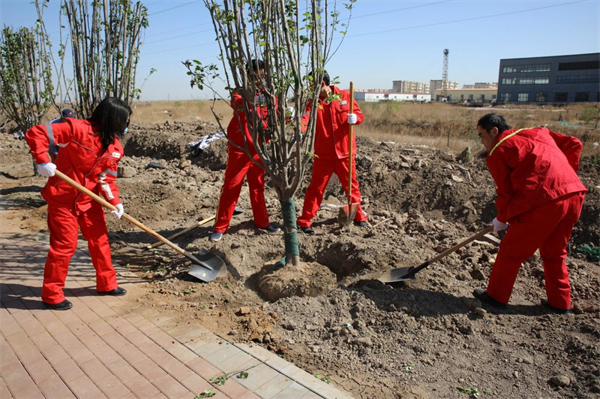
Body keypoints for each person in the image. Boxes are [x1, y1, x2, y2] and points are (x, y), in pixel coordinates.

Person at [473, 113, 587, 314]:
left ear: (494, 131)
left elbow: (505, 193)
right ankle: (560, 303)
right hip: (574, 195)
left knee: (509, 250)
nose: (482, 142)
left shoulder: (498, 151)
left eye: (482, 135)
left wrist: (501, 219)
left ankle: (496, 297)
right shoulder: (537, 132)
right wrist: (566, 174)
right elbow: (574, 143)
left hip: (546, 202)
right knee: (554, 252)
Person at [26, 97, 132, 310]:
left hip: (89, 200)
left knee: (100, 240)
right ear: (112, 119)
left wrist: (115, 202)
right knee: (65, 246)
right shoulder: (76, 130)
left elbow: (106, 178)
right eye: (124, 120)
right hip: (62, 198)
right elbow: (36, 132)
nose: (126, 125)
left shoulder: (115, 147)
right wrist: (42, 159)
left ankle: (107, 284)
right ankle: (52, 294)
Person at [210, 59, 280, 242]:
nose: (260, 80)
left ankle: (262, 222)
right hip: (240, 149)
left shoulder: (268, 95)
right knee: (231, 187)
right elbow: (239, 104)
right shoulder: (239, 94)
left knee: (258, 188)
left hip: (259, 149)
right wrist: (255, 97)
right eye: (256, 76)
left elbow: (275, 114)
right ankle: (220, 226)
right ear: (248, 76)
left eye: (262, 76)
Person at [297, 71, 368, 235]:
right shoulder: (313, 102)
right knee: (315, 189)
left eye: (312, 85)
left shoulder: (345, 95)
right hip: (323, 154)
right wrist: (299, 128)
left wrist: (355, 118)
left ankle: (358, 217)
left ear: (322, 84)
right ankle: (305, 220)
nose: (310, 88)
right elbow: (305, 118)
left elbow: (359, 115)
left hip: (345, 152)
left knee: (351, 187)